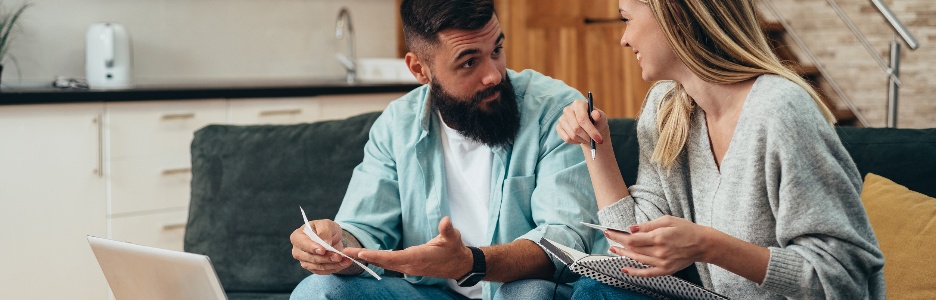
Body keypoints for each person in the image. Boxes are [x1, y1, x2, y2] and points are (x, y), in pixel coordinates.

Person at [555, 0, 886, 299]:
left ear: (674, 14)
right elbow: (633, 254)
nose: (623, 39)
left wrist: (708, 245)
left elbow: (846, 278)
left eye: (626, 19)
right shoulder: (666, 109)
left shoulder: (780, 111)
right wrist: (595, 145)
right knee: (582, 290)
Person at [289, 0, 605, 299]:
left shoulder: (554, 111)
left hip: (516, 290)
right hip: (431, 293)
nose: (494, 74)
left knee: (530, 293)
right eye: (469, 62)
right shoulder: (397, 125)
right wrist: (335, 245)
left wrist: (470, 263)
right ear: (419, 69)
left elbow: (565, 244)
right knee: (318, 290)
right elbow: (365, 230)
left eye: (496, 49)